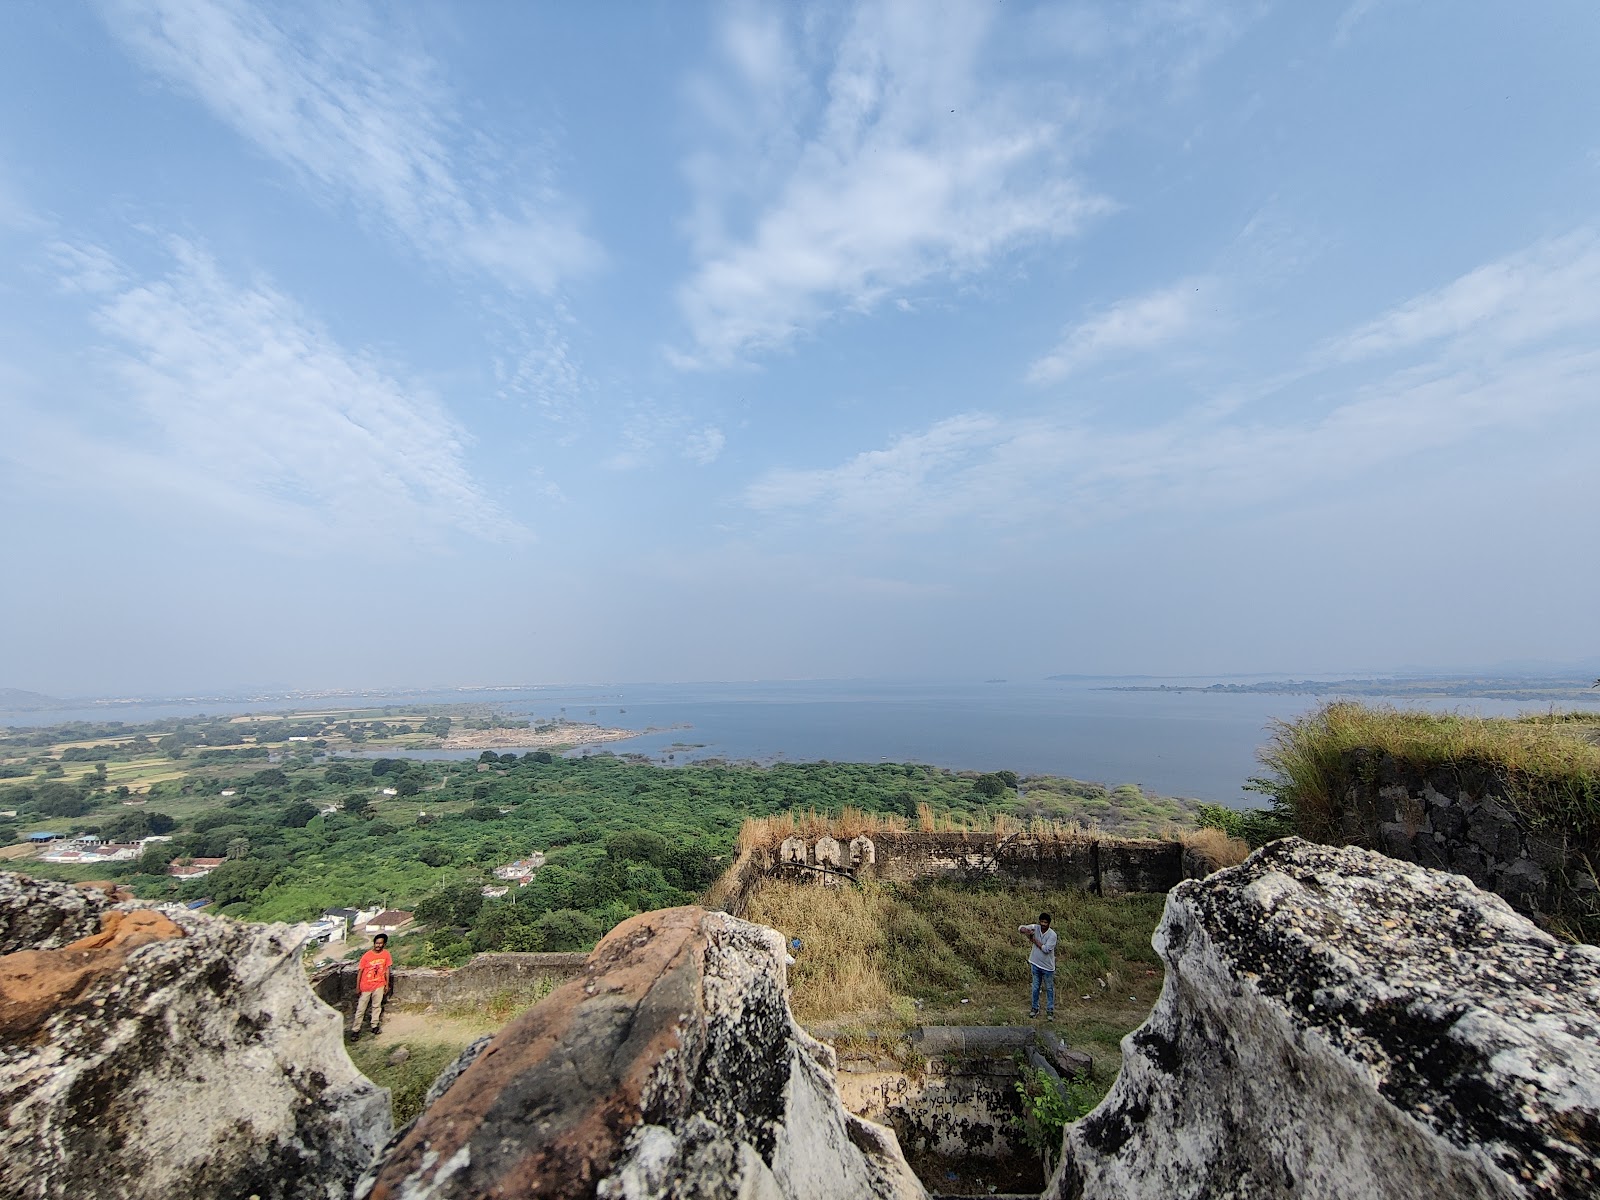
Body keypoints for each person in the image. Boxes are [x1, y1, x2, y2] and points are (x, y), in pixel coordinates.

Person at [349, 933, 392, 1039]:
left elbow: (387, 970)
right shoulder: (367, 956)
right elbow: (360, 971)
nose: (378, 945)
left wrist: (387, 984)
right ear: (374, 943)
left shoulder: (386, 954)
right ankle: (356, 1030)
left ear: (384, 944)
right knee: (361, 1009)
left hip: (379, 984)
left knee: (376, 1006)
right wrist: (358, 986)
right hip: (366, 986)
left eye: (380, 943)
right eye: (377, 943)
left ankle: (374, 1025)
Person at [1019, 912, 1057, 1018]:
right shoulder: (1035, 928)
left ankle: (1050, 1010)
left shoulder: (1052, 935)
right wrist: (1026, 930)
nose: (1043, 924)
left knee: (1049, 988)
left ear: (1049, 923)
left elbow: (1046, 949)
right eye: (1042, 922)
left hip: (1047, 967)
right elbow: (1021, 928)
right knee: (1035, 987)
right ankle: (1034, 1008)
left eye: (1045, 922)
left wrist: (1034, 940)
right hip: (1035, 963)